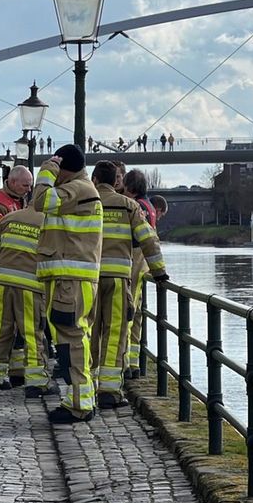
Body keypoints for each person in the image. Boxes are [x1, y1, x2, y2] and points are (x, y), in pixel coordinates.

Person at [33, 144, 103, 423]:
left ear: (64, 168)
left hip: (70, 281)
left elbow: (39, 202)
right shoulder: (78, 189)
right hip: (69, 279)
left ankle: (79, 404)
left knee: (72, 340)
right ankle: (79, 399)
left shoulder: (77, 189)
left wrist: (46, 172)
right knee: (72, 340)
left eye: (57, 169)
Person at [90, 161, 167, 408]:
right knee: (115, 332)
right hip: (119, 279)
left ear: (93, 179)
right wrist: (159, 273)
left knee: (88, 332)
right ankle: (109, 391)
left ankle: (85, 388)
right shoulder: (129, 206)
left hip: (87, 278)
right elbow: (148, 240)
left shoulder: (85, 203)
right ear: (116, 182)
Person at [0, 205, 58, 398]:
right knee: (32, 335)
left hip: (3, 285)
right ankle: (36, 382)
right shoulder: (51, 223)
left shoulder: (8, 219)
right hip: (32, 288)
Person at [123, 169, 159, 380]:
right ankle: (134, 362)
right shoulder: (150, 206)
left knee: (128, 311)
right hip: (144, 264)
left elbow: (141, 238)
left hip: (135, 261)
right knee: (136, 316)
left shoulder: (137, 207)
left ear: (130, 187)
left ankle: (127, 362)